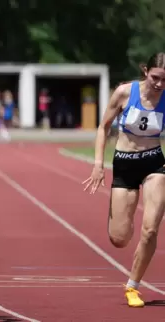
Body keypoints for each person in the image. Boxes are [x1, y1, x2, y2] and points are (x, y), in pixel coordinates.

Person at [82, 52, 165, 308]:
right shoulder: (124, 93)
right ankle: (123, 223)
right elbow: (103, 127)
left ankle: (133, 285)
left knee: (150, 229)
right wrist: (98, 165)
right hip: (125, 163)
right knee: (119, 238)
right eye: (155, 78)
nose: (159, 85)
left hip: (155, 163)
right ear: (144, 71)